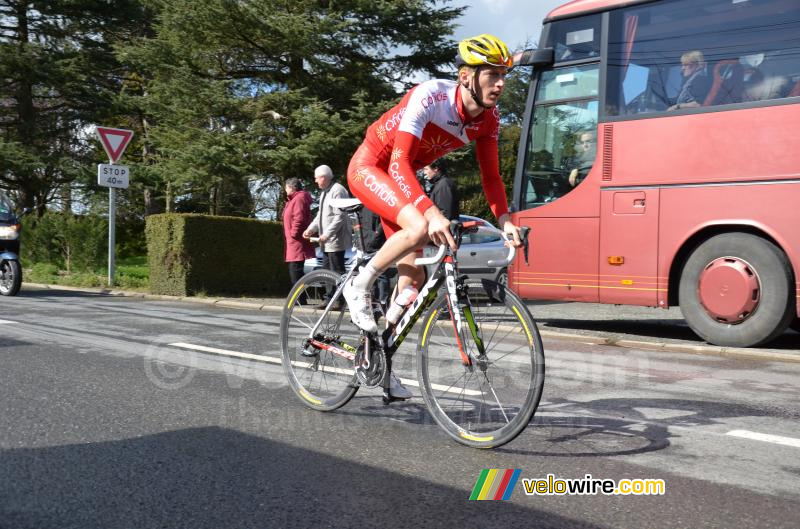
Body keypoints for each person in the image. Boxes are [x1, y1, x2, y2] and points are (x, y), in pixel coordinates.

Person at [342, 34, 524, 399]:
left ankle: (378, 359)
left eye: (504, 74)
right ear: (466, 77)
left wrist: (505, 221)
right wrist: (430, 212)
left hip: (399, 178)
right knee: (422, 226)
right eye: (492, 74)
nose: (500, 83)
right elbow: (399, 162)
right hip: (372, 167)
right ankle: (358, 285)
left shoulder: (488, 119)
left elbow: (491, 177)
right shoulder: (431, 96)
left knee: (413, 280)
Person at [303, 165, 352, 276]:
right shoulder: (324, 192)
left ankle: (338, 294)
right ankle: (329, 294)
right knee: (326, 273)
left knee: (336, 272)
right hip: (326, 241)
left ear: (323, 178)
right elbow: (320, 215)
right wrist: (310, 229)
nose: (315, 181)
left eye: (316, 178)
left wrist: (327, 234)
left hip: (335, 241)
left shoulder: (338, 191)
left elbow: (340, 216)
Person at [282, 178, 315, 296]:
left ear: (291, 187)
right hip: (294, 241)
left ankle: (298, 298)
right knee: (295, 270)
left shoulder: (299, 198)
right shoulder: (295, 199)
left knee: (295, 270)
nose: (285, 190)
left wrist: (293, 234)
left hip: (296, 241)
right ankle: (300, 298)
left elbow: (299, 218)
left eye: (286, 187)